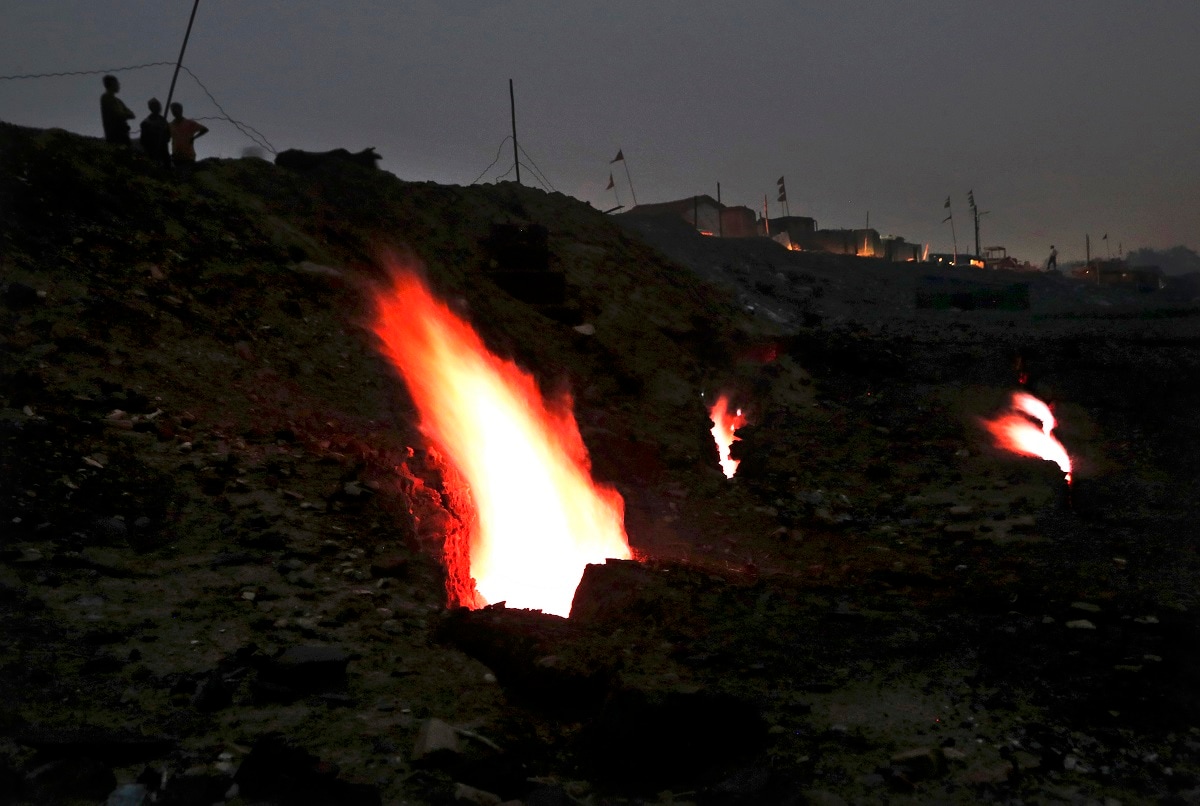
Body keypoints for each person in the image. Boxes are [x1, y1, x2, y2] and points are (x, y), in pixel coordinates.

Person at [169, 102, 209, 167]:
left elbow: (204, 129)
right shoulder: (170, 125)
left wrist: (194, 137)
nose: (174, 111)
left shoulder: (189, 123)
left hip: (188, 157)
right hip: (176, 157)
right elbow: (165, 136)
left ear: (181, 110)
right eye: (173, 110)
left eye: (176, 109)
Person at [100, 74, 135, 145]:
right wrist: (124, 114)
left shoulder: (118, 101)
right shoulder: (106, 98)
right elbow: (117, 113)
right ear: (112, 84)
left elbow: (132, 114)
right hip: (114, 135)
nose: (119, 85)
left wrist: (124, 114)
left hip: (123, 134)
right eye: (117, 83)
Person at [139, 98, 171, 167]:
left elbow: (168, 136)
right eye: (154, 106)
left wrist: (164, 137)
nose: (157, 108)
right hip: (152, 152)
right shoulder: (146, 122)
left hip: (163, 151)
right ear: (151, 108)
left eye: (158, 106)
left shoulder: (163, 120)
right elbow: (143, 140)